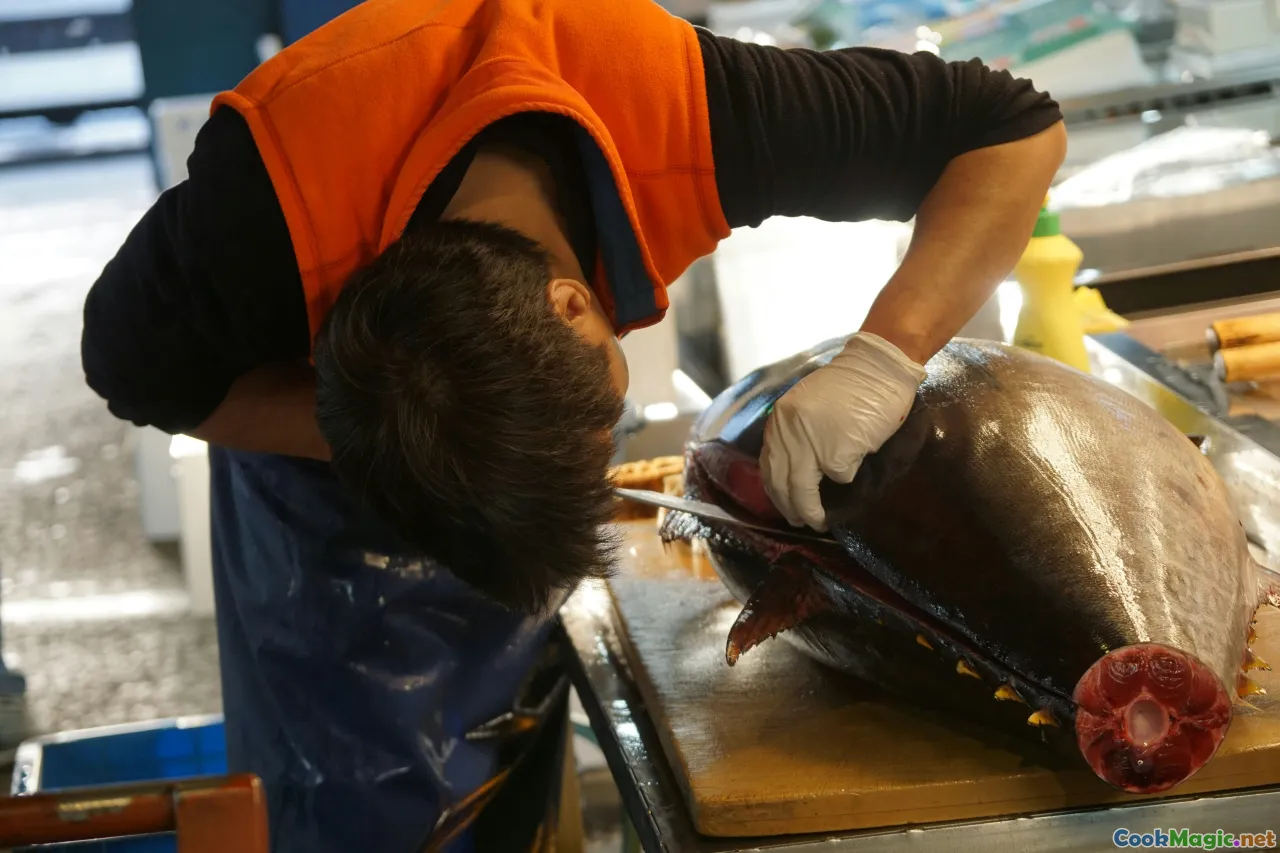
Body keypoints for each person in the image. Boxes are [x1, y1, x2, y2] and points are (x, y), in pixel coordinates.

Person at [80, 0, 1067, 848]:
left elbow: (1009, 129)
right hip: (319, 482)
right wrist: (367, 443)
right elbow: (129, 375)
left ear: (569, 302)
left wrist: (883, 354)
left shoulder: (686, 107)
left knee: (516, 765)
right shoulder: (254, 221)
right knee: (352, 801)